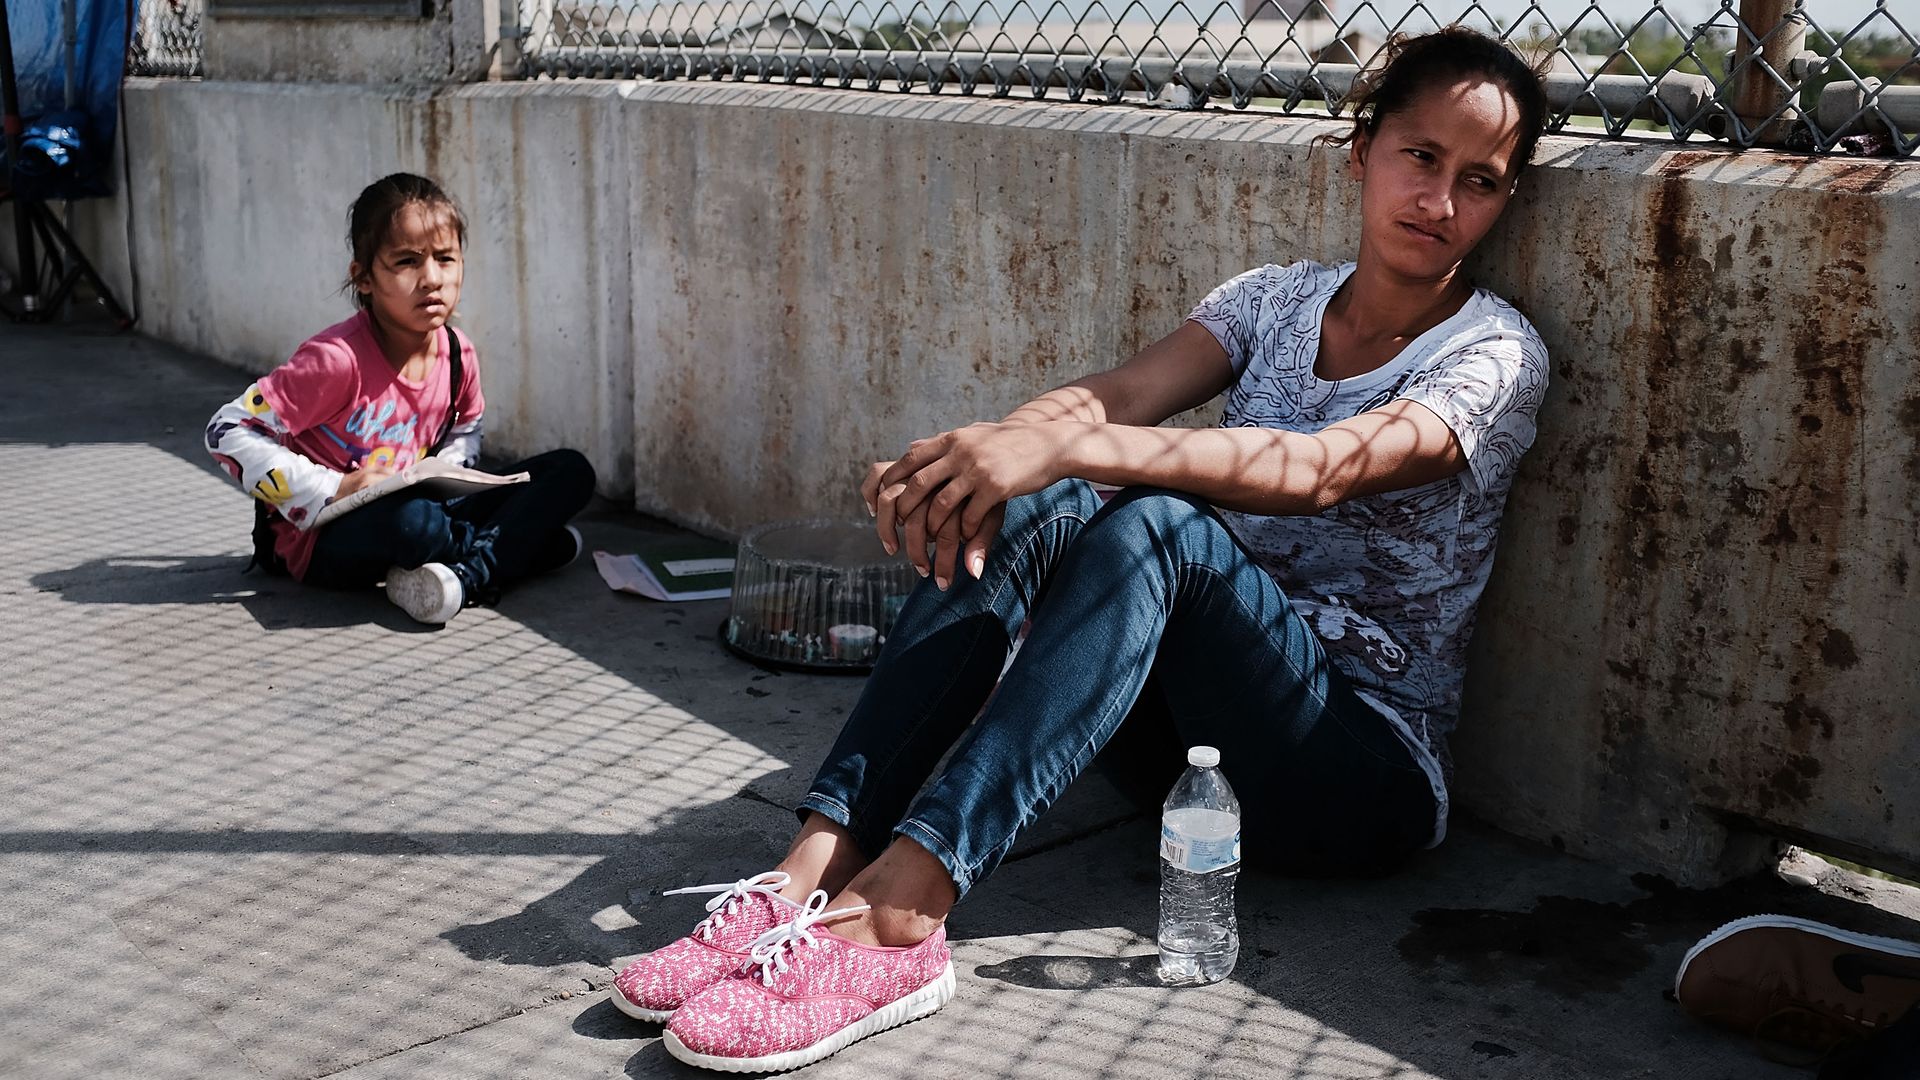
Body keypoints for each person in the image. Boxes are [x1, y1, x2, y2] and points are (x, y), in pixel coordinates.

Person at [614, 26, 1554, 1071]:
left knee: (1160, 522)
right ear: (1363, 149)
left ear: (1504, 199)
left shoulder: (1494, 354)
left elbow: (1324, 467)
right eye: (1421, 158)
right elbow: (1110, 396)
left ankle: (905, 916)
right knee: (1036, 493)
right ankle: (810, 868)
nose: (1439, 202)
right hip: (1184, 759)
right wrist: (995, 454)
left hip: (1352, 777)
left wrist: (1071, 446)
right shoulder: (1274, 300)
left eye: (1479, 181)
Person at [202, 173, 595, 625]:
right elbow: (226, 430)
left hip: (423, 502)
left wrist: (451, 471)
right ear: (364, 278)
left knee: (570, 471)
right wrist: (335, 487)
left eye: (446, 259)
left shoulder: (458, 355)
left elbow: (466, 429)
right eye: (406, 262)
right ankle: (516, 550)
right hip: (324, 537)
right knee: (414, 526)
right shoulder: (336, 360)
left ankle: (465, 576)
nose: (432, 279)